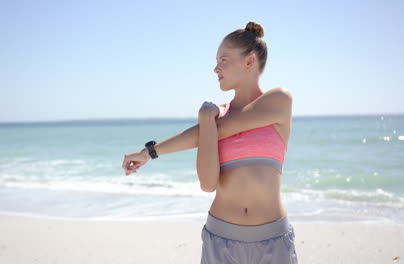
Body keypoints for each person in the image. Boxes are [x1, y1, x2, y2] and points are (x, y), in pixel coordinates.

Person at [122, 21, 297, 264]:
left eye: (223, 60)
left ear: (249, 61)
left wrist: (152, 150)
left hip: (273, 240)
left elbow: (224, 127)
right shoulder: (213, 119)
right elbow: (207, 184)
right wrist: (205, 122)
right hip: (220, 239)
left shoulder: (279, 100)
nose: (216, 68)